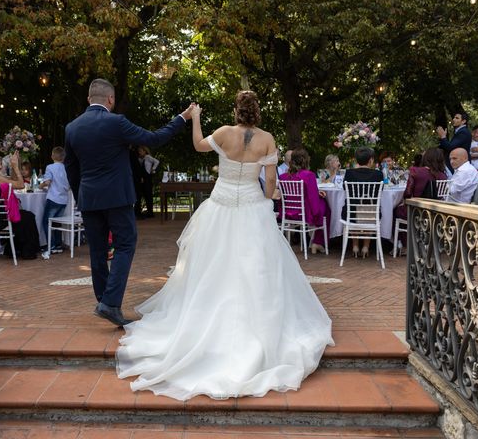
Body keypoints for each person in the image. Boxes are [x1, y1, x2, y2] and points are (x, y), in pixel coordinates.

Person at [116, 90, 333, 401]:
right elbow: (271, 180)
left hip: (219, 205)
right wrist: (269, 196)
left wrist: (197, 118)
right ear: (257, 112)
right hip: (252, 205)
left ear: (236, 110)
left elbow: (198, 145)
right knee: (256, 266)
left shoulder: (223, 133)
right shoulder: (267, 139)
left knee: (212, 264)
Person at [64, 78, 193, 327]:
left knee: (98, 251)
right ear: (110, 99)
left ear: (89, 99)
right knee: (125, 245)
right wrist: (182, 118)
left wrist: (83, 194)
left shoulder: (72, 127)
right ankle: (110, 303)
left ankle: (104, 301)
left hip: (89, 198)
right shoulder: (117, 122)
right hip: (117, 198)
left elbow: (71, 167)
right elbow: (154, 139)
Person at [0, 151, 41, 259]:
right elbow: (21, 184)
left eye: (0, 163)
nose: (0, 166)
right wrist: (16, 167)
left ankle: (13, 249)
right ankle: (27, 251)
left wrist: (13, 166)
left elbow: (13, 180)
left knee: (24, 215)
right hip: (1, 217)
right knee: (29, 216)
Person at [393, 148, 447, 253]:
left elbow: (408, 193)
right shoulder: (443, 176)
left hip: (416, 212)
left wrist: (404, 201)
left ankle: (405, 246)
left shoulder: (415, 171)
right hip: (435, 214)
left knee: (396, 211)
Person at [279, 148, 330, 254]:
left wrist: (317, 192)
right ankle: (317, 242)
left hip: (288, 212)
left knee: (321, 204)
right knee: (326, 207)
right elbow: (312, 199)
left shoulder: (283, 177)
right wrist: (319, 198)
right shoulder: (308, 175)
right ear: (305, 160)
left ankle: (316, 242)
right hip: (304, 213)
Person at [342, 147, 383, 258]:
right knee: (368, 209)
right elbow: (382, 189)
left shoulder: (349, 173)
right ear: (370, 160)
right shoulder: (378, 174)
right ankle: (365, 247)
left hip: (352, 213)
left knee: (355, 209)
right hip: (371, 213)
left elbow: (344, 188)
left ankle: (355, 246)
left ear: (356, 160)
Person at [39, 146, 70, 255]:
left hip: (53, 198)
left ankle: (50, 246)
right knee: (56, 223)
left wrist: (40, 185)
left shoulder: (50, 167)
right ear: (63, 157)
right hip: (63, 199)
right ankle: (57, 245)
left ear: (52, 156)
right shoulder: (67, 168)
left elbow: (47, 182)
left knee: (46, 222)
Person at [135, 145, 159, 218]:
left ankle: (150, 212)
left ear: (144, 151)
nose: (139, 152)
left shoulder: (148, 157)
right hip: (141, 178)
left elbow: (157, 161)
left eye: (140, 151)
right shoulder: (139, 159)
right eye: (138, 151)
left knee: (148, 194)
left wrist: (153, 169)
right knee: (141, 194)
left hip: (147, 177)